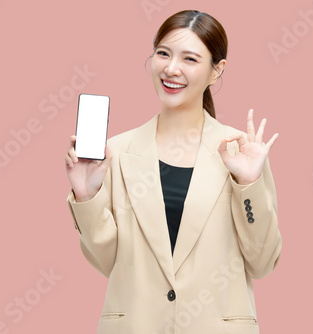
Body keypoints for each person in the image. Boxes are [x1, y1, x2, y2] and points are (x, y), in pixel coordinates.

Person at [64, 9, 282, 334]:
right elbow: (107, 263)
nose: (171, 68)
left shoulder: (240, 152)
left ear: (216, 71)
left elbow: (262, 263)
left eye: (190, 59)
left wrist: (249, 183)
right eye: (163, 53)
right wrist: (86, 196)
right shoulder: (117, 153)